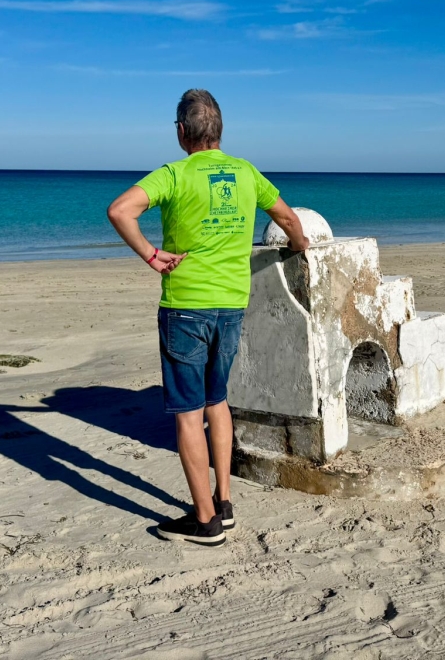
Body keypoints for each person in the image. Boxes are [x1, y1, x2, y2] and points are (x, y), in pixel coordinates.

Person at [108, 89, 309, 546]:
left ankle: (204, 522)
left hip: (186, 306)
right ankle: (224, 501)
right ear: (219, 132)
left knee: (187, 413)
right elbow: (291, 222)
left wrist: (151, 255)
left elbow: (120, 211)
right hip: (232, 305)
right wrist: (299, 250)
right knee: (217, 401)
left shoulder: (174, 175)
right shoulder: (246, 172)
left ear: (182, 132)